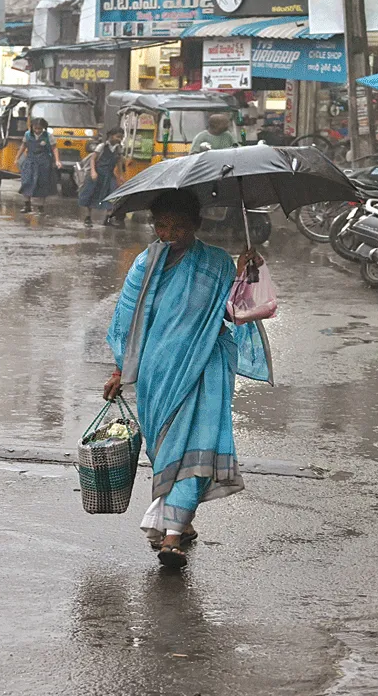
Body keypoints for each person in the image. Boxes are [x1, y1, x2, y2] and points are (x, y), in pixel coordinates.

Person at [103, 189, 270, 569]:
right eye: (162, 226)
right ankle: (184, 522)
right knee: (165, 451)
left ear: (196, 225)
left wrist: (249, 273)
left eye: (179, 226)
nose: (169, 233)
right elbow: (126, 322)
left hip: (206, 368)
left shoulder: (217, 263)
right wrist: (119, 370)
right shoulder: (144, 265)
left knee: (197, 446)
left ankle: (172, 535)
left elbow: (238, 313)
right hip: (157, 374)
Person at [77, 128, 125, 228]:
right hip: (98, 174)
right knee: (91, 194)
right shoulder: (102, 146)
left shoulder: (119, 148)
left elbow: (119, 162)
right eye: (117, 136)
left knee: (112, 196)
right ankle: (88, 217)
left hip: (109, 175)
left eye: (121, 137)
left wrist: (120, 176)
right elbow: (93, 159)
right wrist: (93, 172)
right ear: (111, 136)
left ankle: (107, 218)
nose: (119, 139)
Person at [16, 117, 61, 214]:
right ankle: (27, 205)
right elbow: (23, 146)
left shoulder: (48, 136)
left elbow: (54, 149)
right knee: (26, 181)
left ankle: (41, 207)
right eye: (35, 128)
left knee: (42, 183)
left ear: (43, 128)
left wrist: (57, 161)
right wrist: (17, 158)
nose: (37, 130)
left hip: (43, 162)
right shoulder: (27, 135)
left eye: (39, 129)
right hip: (30, 161)